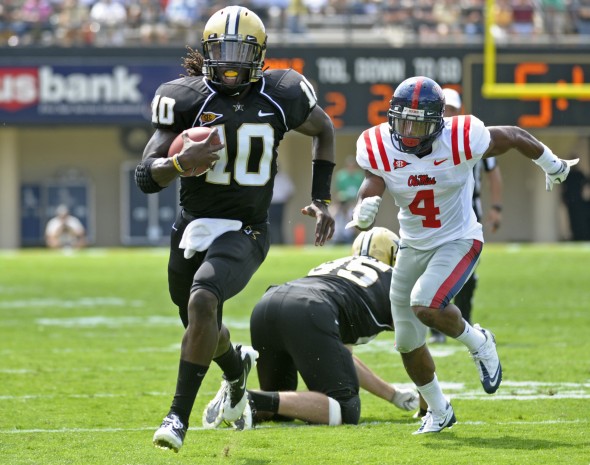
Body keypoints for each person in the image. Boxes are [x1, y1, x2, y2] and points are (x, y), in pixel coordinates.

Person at [134, 5, 335, 452]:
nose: (229, 62)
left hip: (248, 228)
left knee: (204, 297)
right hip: (192, 226)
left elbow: (325, 130)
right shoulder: (184, 99)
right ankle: (234, 366)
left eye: (239, 51)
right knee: (201, 325)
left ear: (259, 54)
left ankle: (176, 418)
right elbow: (145, 176)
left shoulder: (282, 93)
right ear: (206, 52)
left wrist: (320, 198)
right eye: (221, 50)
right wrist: (177, 164)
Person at [346, 76, 578, 434]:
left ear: (438, 123)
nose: (407, 131)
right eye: (402, 120)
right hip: (413, 243)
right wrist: (365, 204)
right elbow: (372, 179)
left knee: (426, 304)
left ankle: (479, 342)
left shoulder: (461, 136)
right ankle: (439, 411)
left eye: (418, 123)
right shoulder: (377, 143)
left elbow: (514, 135)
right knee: (407, 341)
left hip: (458, 238)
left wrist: (553, 165)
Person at [203, 227, 418, 428]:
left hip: (268, 304)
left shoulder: (333, 266)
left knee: (279, 406)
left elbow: (342, 358)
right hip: (310, 309)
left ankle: (240, 397)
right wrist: (429, 401)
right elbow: (417, 346)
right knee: (345, 408)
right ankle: (247, 397)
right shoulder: (393, 279)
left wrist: (393, 394)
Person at [428, 88, 504, 344]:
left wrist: (496, 208)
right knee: (433, 268)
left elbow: (493, 172)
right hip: (436, 211)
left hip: (469, 211)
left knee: (467, 273)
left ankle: (463, 323)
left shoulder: (471, 137)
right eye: (444, 109)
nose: (447, 114)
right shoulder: (428, 137)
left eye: (451, 109)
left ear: (459, 111)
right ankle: (437, 326)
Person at [332, 155, 365, 244]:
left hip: (355, 203)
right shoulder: (341, 176)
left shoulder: (359, 176)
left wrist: (354, 205)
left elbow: (361, 194)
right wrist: (339, 205)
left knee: (352, 214)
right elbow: (338, 193)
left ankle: (350, 237)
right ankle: (336, 238)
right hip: (342, 202)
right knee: (335, 214)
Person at [268, 169, 295, 244]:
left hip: (279, 204)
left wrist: (285, 201)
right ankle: (270, 241)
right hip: (269, 204)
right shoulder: (268, 177)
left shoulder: (283, 177)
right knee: (268, 223)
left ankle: (279, 242)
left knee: (278, 224)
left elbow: (290, 191)